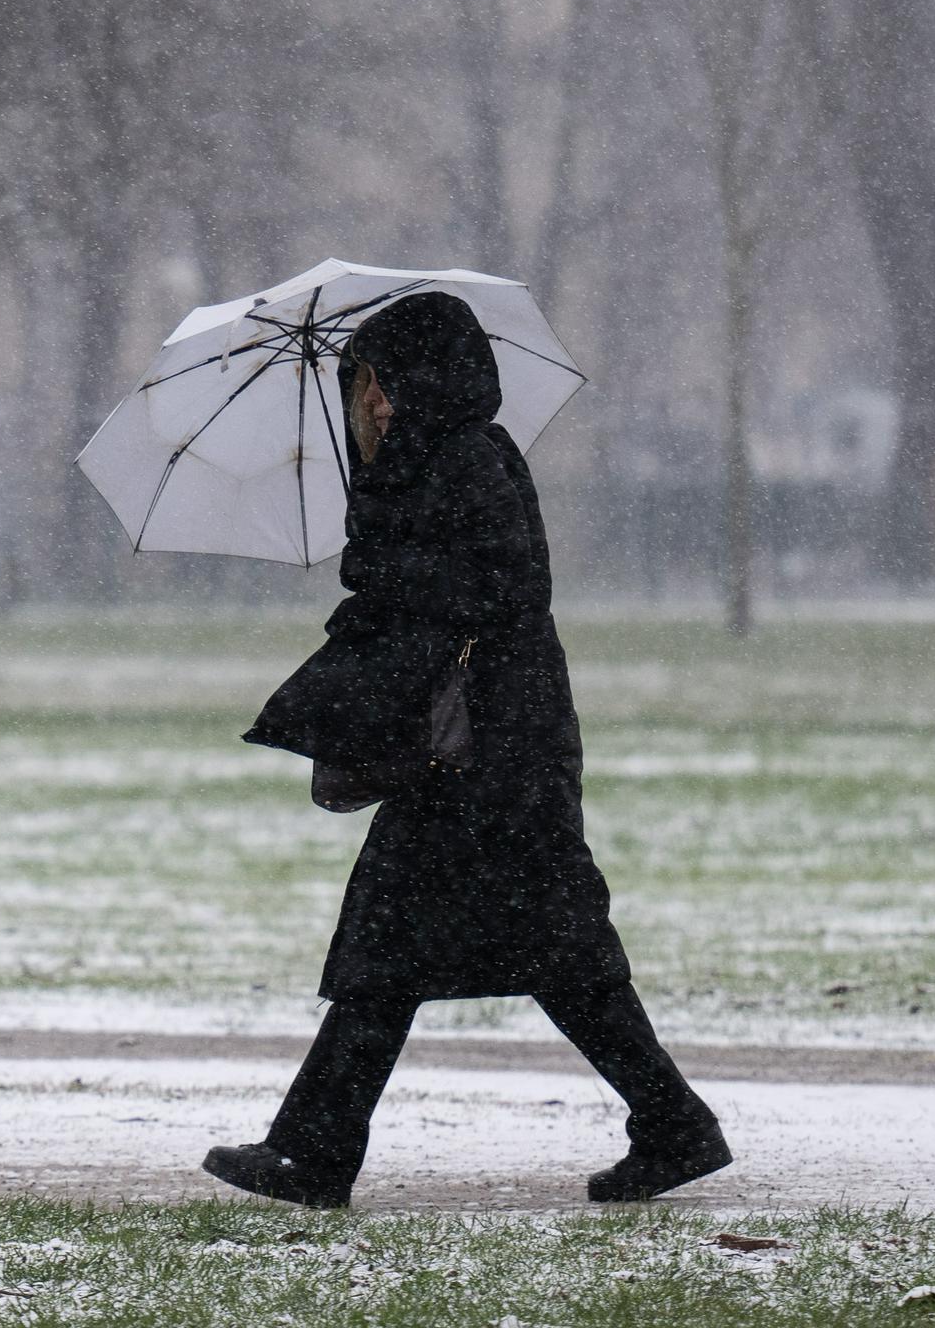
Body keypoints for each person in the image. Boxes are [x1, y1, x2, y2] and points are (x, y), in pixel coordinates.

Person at [205, 291, 729, 1207]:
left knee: (497, 950)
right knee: (445, 949)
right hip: (472, 752)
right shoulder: (423, 466)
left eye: (381, 382)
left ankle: (319, 1153)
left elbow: (492, 590)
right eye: (359, 385)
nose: (370, 404)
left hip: (496, 752)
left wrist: (378, 569)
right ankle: (669, 1123)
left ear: (425, 378)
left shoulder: (467, 458)